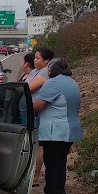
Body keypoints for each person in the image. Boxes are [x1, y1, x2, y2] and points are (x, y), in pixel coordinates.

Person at [32, 58, 83, 194]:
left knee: (52, 162)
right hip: (71, 129)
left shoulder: (52, 83)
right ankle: (60, 191)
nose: (47, 72)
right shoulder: (72, 82)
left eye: (48, 69)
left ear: (52, 70)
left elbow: (38, 105)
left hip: (55, 130)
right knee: (61, 161)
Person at [26, 47, 54, 186]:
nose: (35, 60)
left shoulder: (45, 72)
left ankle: (35, 177)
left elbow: (28, 88)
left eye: (38, 58)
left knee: (38, 146)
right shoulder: (37, 70)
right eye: (34, 58)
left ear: (47, 60)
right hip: (32, 111)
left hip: (37, 112)